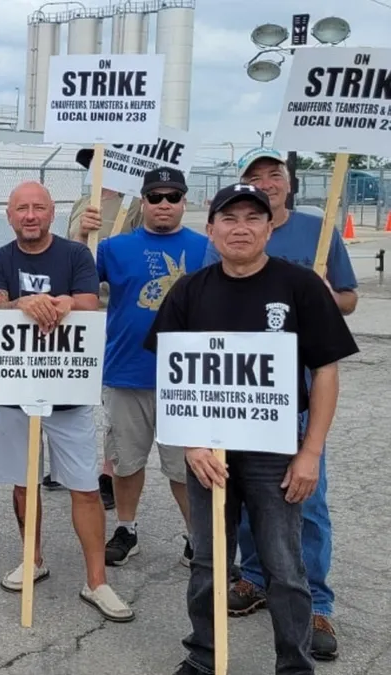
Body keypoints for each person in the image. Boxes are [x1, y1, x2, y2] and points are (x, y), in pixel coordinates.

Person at [148, 183, 359, 675]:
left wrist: (310, 452)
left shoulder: (300, 286)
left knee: (284, 565)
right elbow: (170, 374)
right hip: (209, 452)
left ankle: (294, 662)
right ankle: (204, 655)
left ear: (269, 227)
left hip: (276, 450)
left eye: (252, 218)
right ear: (211, 229)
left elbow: (326, 371)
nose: (240, 227)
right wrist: (192, 443)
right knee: (208, 561)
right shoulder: (190, 290)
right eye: (229, 218)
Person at [221, 148, 357, 660]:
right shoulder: (235, 233)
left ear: (289, 183)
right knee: (251, 491)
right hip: (243, 387)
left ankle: (317, 601)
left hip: (297, 387)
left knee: (306, 494)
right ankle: (255, 576)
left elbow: (349, 298)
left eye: (273, 175)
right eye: (254, 176)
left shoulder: (315, 230)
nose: (266, 182)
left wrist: (324, 293)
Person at [0, 181, 134, 623]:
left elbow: (89, 300)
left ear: (52, 214)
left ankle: (97, 580)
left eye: (39, 208)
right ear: (10, 216)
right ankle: (33, 559)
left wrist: (64, 301)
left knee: (85, 487)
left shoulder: (74, 255)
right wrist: (21, 304)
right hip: (15, 392)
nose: (30, 215)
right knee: (24, 483)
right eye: (21, 209)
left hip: (69, 392)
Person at [95, 168, 209, 568]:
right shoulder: (112, 248)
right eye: (156, 196)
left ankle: (198, 539)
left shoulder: (206, 248)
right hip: (127, 372)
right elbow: (78, 285)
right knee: (126, 461)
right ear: (142, 201)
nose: (164, 204)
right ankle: (127, 528)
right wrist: (80, 238)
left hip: (185, 379)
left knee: (185, 466)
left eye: (173, 196)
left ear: (184, 202)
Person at [69, 146, 138, 511]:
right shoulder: (83, 203)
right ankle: (71, 463)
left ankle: (109, 471)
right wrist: (82, 234)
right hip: (81, 307)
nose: (98, 169)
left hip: (116, 309)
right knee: (75, 392)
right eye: (93, 163)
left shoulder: (137, 203)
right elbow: (71, 253)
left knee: (114, 400)